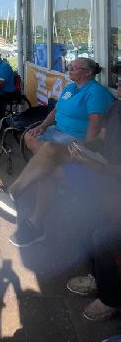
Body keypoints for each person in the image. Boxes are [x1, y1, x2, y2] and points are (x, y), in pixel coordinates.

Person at [0, 58, 114, 247]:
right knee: (30, 137)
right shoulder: (70, 88)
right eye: (70, 65)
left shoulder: (96, 92)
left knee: (47, 161)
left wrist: (84, 148)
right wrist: (42, 126)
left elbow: (95, 126)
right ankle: (51, 175)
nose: (69, 68)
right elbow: (55, 111)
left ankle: (13, 195)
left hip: (74, 140)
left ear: (88, 73)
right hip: (56, 132)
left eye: (75, 67)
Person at [66, 67, 121, 322]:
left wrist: (96, 166)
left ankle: (111, 300)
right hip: (110, 184)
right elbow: (101, 139)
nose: (118, 86)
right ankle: (98, 278)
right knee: (82, 216)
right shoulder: (115, 109)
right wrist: (84, 148)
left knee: (102, 236)